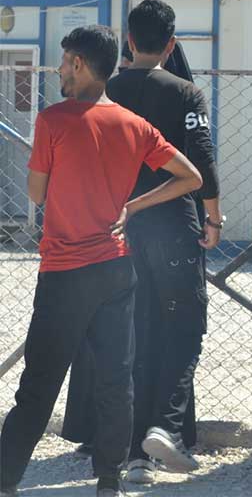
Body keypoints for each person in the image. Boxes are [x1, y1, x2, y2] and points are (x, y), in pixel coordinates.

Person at [0, 25, 202, 497]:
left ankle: (6, 479)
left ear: (80, 64)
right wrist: (133, 206)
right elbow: (190, 177)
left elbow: (35, 192)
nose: (59, 70)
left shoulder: (53, 120)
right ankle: (109, 481)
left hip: (64, 272)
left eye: (65, 60)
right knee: (116, 381)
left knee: (38, 384)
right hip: (116, 269)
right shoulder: (134, 125)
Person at [60, 0, 222, 484]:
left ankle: (129, 451)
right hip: (173, 225)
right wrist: (213, 219)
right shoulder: (187, 93)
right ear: (171, 45)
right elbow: (203, 161)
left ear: (128, 42)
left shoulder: (101, 95)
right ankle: (165, 429)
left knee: (125, 336)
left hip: (110, 230)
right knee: (185, 324)